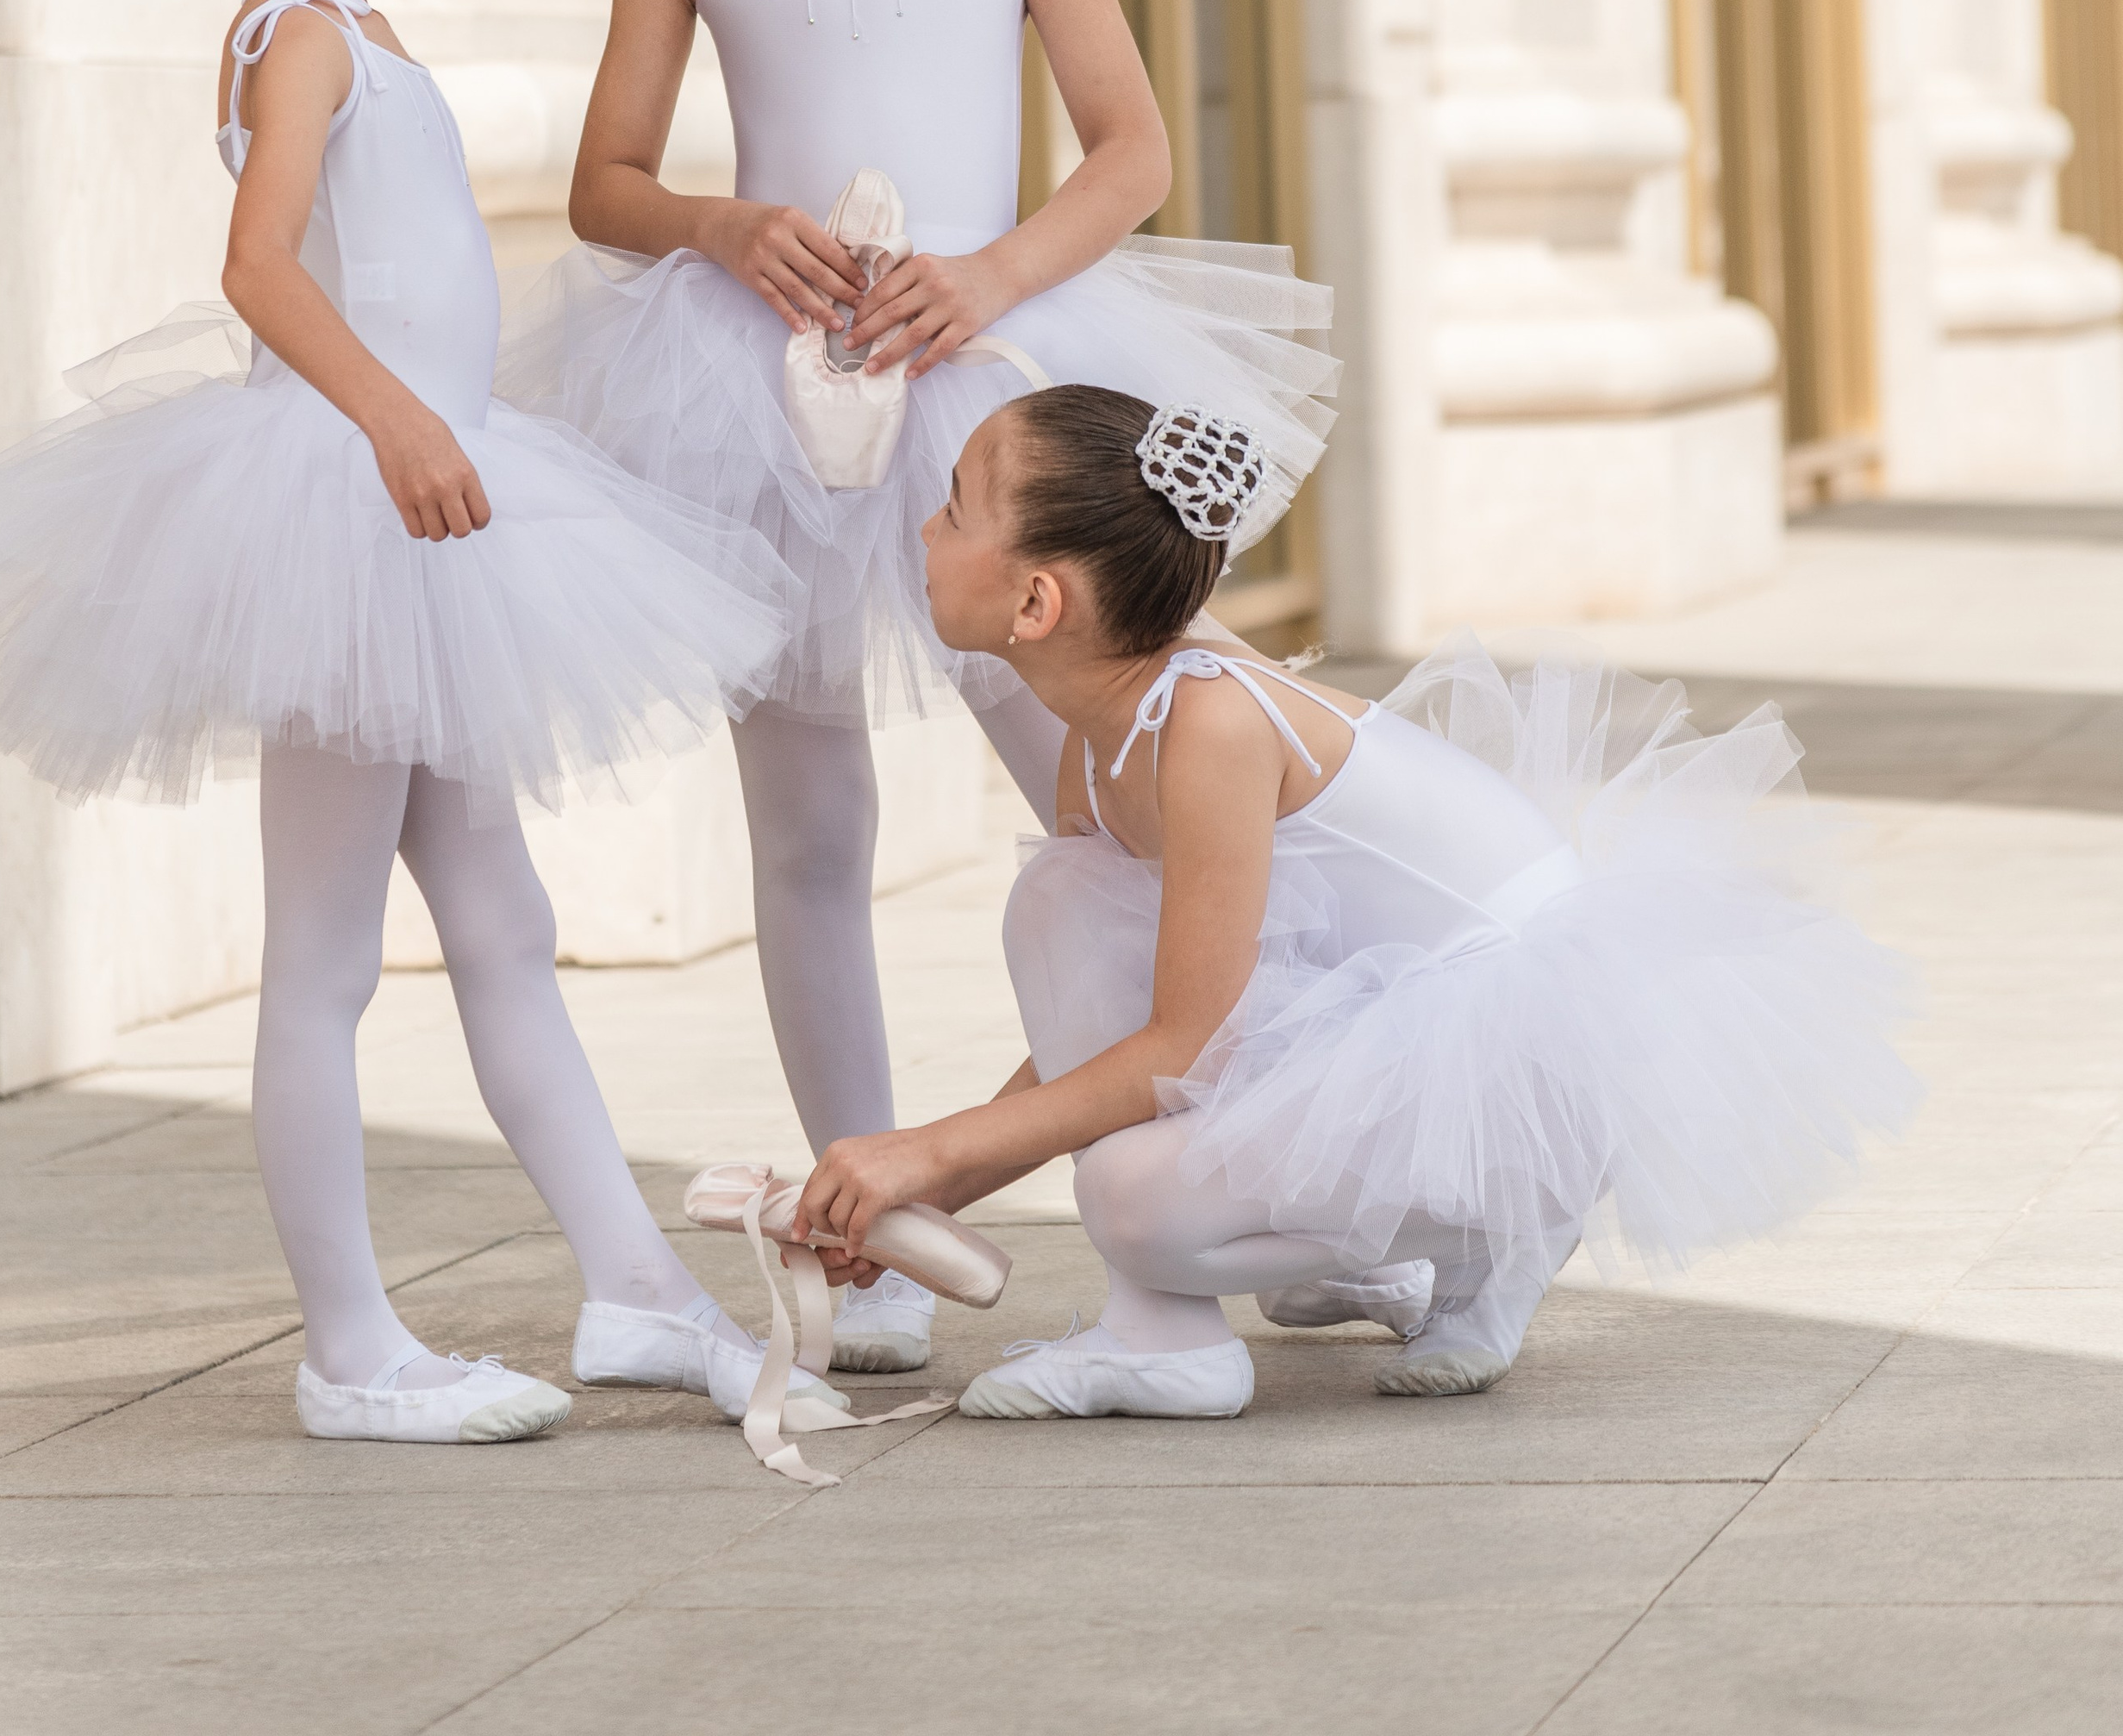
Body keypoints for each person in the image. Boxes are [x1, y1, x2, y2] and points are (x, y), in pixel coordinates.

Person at [0, 0, 842, 1449]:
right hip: (345, 520)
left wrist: (434, 429)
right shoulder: (302, 41)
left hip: (426, 533)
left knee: (500, 917)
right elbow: (259, 269)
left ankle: (637, 1288)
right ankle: (350, 1345)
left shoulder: (352, 35)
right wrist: (400, 419)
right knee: (327, 953)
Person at [497, 0, 1338, 1375]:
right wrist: (725, 225)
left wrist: (984, 278)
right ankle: (856, 1239)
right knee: (803, 822)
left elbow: (1124, 150)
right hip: (758, 392)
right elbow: (606, 184)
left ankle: (1289, 1161)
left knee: (1140, 788)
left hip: (995, 381)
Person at [791, 384, 1922, 1421]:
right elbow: (1107, 1029)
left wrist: (928, 1153)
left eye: (949, 511)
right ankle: (1323, 1269)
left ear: (1036, 600)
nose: (923, 532)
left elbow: (1181, 1046)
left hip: (1528, 1067)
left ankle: (1447, 1239)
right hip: (1386, 1023)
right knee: (1059, 908)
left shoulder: (1209, 722)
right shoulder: (1108, 738)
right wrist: (921, 1196)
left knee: (1133, 1202)